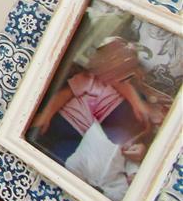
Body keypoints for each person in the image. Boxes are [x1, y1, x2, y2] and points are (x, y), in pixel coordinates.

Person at [30, 37, 158, 166]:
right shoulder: (89, 79)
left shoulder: (126, 93)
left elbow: (138, 124)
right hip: (63, 121)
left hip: (81, 135)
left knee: (61, 158)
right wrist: (47, 114)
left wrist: (138, 106)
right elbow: (65, 94)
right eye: (111, 59)